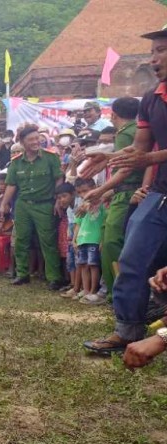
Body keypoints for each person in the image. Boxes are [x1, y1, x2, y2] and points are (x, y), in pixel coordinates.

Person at [80, 26, 167, 354]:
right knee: (131, 257)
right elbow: (140, 148)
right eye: (153, 51)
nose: (153, 58)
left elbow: (147, 155)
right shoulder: (151, 99)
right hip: (160, 193)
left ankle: (159, 330)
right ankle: (127, 331)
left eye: (160, 51)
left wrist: (148, 158)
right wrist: (111, 157)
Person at [80, 97, 144, 300]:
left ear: (112, 114)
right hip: (126, 192)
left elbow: (125, 171)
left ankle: (117, 293)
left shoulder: (126, 133)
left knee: (111, 243)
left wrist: (100, 191)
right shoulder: (139, 130)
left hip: (126, 195)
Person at [0, 124, 64, 289]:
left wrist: (58, 199)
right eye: (31, 139)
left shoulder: (51, 158)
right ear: (22, 142)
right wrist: (4, 204)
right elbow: (11, 185)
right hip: (23, 205)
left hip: (45, 204)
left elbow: (59, 179)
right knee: (21, 240)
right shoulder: (16, 162)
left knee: (48, 241)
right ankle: (22, 274)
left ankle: (54, 277)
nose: (36, 142)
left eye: (37, 138)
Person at [72, 178, 106, 305]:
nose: (83, 195)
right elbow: (78, 223)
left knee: (93, 265)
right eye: (79, 192)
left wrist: (102, 239)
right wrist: (75, 239)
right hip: (82, 239)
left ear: (95, 187)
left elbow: (104, 222)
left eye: (85, 191)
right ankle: (85, 291)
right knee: (83, 265)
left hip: (94, 239)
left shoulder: (102, 203)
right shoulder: (81, 206)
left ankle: (93, 291)